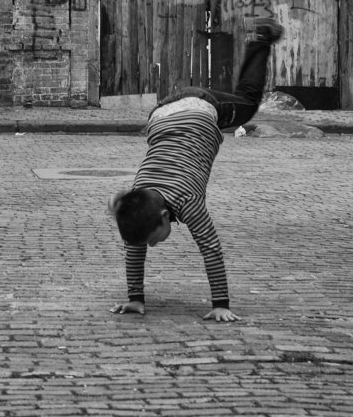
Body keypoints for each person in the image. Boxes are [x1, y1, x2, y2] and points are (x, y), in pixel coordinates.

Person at [108, 17, 284, 321]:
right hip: (159, 115)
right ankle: (258, 41)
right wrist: (135, 299)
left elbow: (210, 248)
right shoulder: (137, 197)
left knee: (248, 102)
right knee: (241, 100)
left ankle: (261, 38)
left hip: (199, 108)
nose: (153, 245)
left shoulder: (186, 201)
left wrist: (221, 305)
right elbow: (134, 246)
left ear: (166, 216)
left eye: (154, 237)